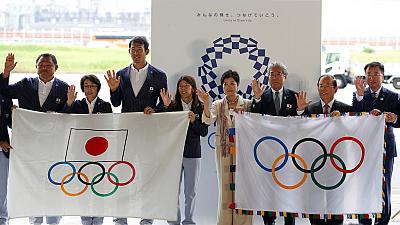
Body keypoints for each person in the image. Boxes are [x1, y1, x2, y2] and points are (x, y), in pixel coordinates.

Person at [104, 36, 167, 225]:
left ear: (147, 51)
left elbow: (164, 105)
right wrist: (114, 90)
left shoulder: (159, 75)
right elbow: (116, 103)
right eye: (133, 49)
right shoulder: (121, 74)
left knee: (147, 176)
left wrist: (155, 110)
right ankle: (119, 217)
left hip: (148, 133)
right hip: (126, 132)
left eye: (140, 49)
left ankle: (147, 219)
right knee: (121, 174)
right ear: (129, 51)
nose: (136, 53)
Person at [0, 52, 68, 225]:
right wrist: (6, 72)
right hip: (28, 144)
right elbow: (4, 91)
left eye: (49, 65)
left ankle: (53, 220)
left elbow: (70, 116)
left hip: (53, 145)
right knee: (32, 182)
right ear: (36, 67)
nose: (44, 68)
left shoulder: (64, 88)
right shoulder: (25, 84)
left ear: (56, 68)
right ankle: (34, 220)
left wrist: (63, 110)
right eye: (41, 65)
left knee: (53, 182)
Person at [197, 70, 252, 225]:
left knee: (243, 187)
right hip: (224, 148)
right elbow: (208, 120)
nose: (229, 87)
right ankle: (225, 221)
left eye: (232, 83)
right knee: (225, 186)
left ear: (238, 85)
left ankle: (243, 222)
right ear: (222, 87)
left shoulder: (247, 104)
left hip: (243, 149)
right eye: (225, 84)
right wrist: (206, 103)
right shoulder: (218, 104)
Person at [297, 74, 351, 225]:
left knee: (336, 200)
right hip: (315, 163)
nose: (324, 89)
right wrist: (300, 112)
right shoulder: (309, 108)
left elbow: (353, 133)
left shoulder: (346, 109)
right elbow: (299, 130)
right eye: (321, 85)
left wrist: (343, 121)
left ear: (335, 89)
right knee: (315, 199)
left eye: (328, 85)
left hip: (337, 163)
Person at [352, 62, 400, 225]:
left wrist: (394, 118)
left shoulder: (393, 96)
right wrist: (359, 95)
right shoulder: (359, 94)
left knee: (383, 185)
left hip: (385, 147)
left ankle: (382, 221)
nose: (371, 78)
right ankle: (364, 220)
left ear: (383, 76)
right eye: (368, 74)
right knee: (363, 185)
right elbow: (354, 119)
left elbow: (399, 120)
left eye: (375, 74)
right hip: (363, 148)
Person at [251, 61, 297, 225]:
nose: (275, 77)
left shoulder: (294, 96)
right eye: (271, 74)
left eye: (278, 74)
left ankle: (289, 222)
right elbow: (253, 120)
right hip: (268, 152)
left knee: (288, 189)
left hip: (290, 152)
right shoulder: (261, 95)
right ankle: (269, 221)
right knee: (269, 190)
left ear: (285, 77)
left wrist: (300, 110)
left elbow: (302, 123)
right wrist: (256, 98)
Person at [62, 74, 112, 225]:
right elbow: (63, 119)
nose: (89, 89)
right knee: (82, 186)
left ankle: (98, 220)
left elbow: (110, 129)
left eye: (92, 86)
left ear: (98, 88)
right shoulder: (76, 105)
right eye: (86, 86)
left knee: (99, 187)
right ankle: (85, 220)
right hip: (80, 153)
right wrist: (69, 103)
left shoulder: (105, 105)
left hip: (100, 153)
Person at [159, 75, 208, 225]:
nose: (183, 88)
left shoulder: (200, 106)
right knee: (172, 191)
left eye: (186, 85)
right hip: (173, 154)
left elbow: (204, 132)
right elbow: (163, 125)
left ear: (193, 88)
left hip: (193, 154)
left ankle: (188, 221)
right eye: (181, 86)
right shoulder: (172, 105)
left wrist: (194, 121)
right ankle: (173, 221)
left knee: (190, 192)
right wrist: (166, 107)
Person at [0, 55, 13, 225]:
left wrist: (19, 117)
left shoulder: (5, 98)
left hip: (3, 151)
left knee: (2, 191)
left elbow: (10, 122)